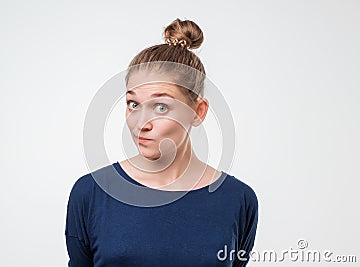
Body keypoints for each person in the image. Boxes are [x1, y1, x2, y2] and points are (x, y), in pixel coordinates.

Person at [65, 18, 258, 267]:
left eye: (161, 106)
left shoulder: (238, 200)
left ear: (198, 112)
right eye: (133, 104)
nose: (140, 122)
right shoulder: (90, 193)